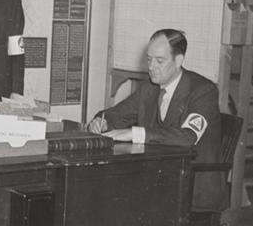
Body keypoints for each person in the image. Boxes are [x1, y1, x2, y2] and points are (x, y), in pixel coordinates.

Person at [88, 29, 225, 211]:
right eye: (149, 59)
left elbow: (188, 137)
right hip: (159, 179)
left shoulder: (203, 91)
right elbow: (117, 114)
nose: (151, 67)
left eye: (159, 61)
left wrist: (135, 133)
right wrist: (102, 120)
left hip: (194, 186)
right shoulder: (149, 88)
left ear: (178, 61)